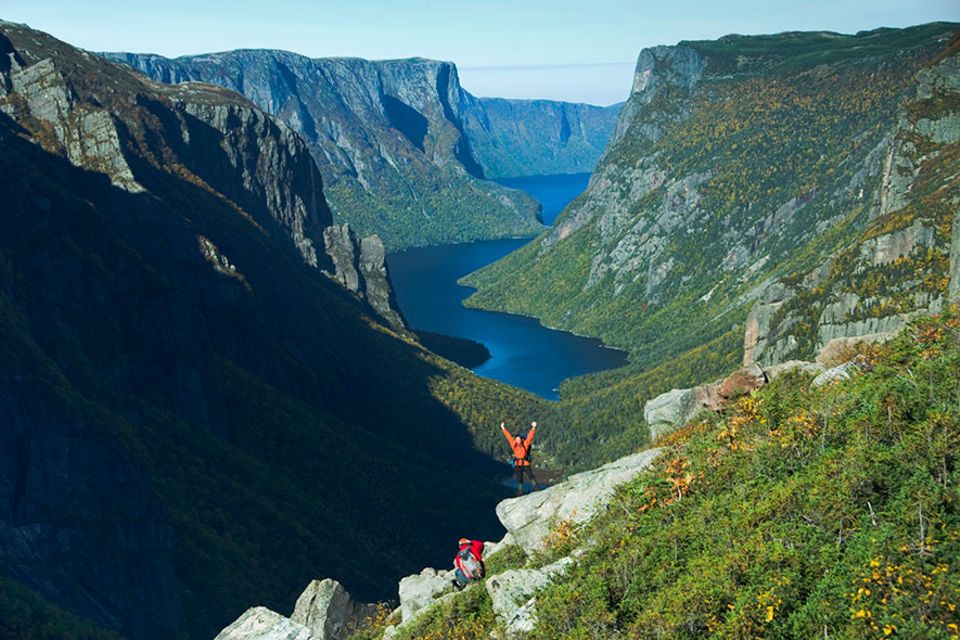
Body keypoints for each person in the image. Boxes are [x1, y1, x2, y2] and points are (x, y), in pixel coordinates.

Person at [500, 421, 539, 496]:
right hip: (518, 464)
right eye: (517, 439)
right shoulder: (513, 444)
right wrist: (503, 428)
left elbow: (530, 437)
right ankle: (520, 491)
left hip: (525, 463)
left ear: (521, 439)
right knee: (519, 478)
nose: (518, 440)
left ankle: (536, 488)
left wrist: (533, 428)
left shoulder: (525, 444)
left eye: (519, 439)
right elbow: (508, 436)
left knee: (531, 475)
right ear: (515, 440)